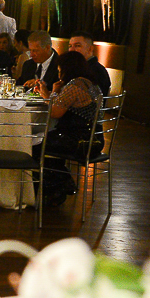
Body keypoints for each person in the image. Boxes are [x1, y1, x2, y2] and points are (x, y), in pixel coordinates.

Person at [34, 50, 103, 207]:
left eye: (60, 70)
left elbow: (55, 113)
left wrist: (48, 94)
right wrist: (52, 93)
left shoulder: (74, 86)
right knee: (45, 141)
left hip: (80, 142)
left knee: (36, 144)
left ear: (67, 69)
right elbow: (60, 106)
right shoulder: (89, 83)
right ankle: (60, 185)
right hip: (95, 139)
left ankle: (58, 186)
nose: (59, 74)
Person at [67, 30, 113, 96]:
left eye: (77, 45)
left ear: (90, 49)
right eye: (70, 46)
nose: (71, 49)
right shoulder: (79, 68)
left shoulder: (94, 71)